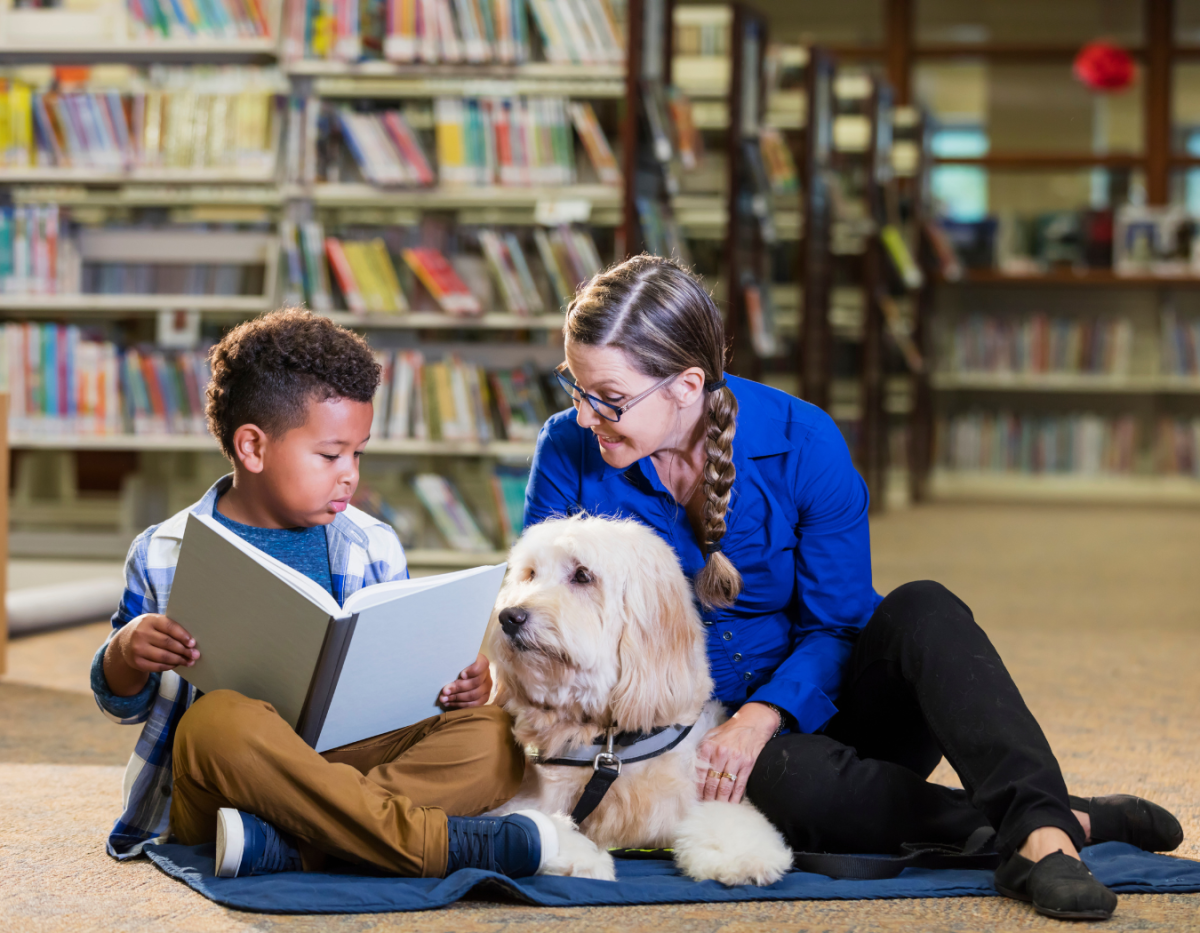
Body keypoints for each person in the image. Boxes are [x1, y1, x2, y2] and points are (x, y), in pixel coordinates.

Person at [523, 255, 1183, 921]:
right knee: (787, 782)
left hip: (829, 706)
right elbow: (537, 597)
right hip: (690, 746)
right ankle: (1061, 819)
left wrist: (764, 713)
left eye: (606, 396)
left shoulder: (803, 440)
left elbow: (837, 625)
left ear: (686, 385)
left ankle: (1043, 845)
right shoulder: (564, 450)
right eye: (574, 388)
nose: (583, 415)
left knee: (923, 605)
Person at [92, 309, 558, 881]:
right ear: (253, 448)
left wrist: (461, 683)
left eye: (358, 454)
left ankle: (288, 845)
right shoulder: (164, 550)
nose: (349, 476)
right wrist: (125, 654)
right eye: (331, 454)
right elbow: (122, 702)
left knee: (494, 738)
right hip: (228, 778)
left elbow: (403, 686)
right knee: (217, 721)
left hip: (343, 763)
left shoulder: (374, 544)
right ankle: (432, 844)